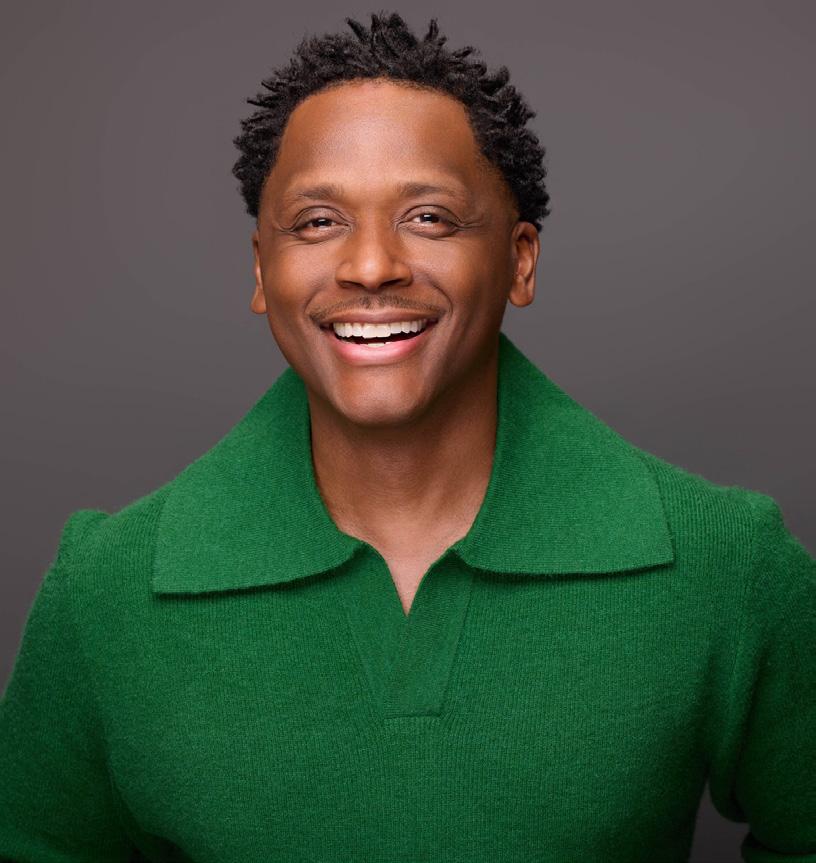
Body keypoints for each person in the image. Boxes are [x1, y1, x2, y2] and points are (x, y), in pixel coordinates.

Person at [0, 11, 814, 863]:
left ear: (520, 260)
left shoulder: (728, 564)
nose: (371, 266)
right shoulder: (104, 592)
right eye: (318, 222)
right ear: (260, 268)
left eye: (428, 217)